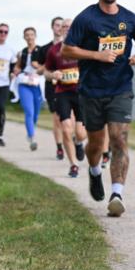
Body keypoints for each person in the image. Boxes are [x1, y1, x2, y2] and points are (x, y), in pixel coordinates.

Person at [62, 0, 135, 217]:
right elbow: (67, 50)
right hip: (91, 90)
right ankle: (94, 171)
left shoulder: (129, 18)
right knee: (96, 144)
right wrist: (96, 55)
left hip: (121, 88)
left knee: (119, 139)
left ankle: (117, 194)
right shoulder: (86, 18)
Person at [44, 17, 88, 178]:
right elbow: (46, 72)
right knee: (66, 128)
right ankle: (73, 165)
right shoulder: (54, 50)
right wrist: (52, 74)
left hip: (81, 92)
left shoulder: (83, 46)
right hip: (62, 92)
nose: (67, 29)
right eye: (64, 27)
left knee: (81, 133)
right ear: (61, 30)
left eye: (70, 26)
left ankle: (79, 142)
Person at [34, 17, 67, 160]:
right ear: (52, 27)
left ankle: (73, 141)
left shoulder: (71, 46)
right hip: (52, 87)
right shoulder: (45, 49)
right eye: (57, 25)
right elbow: (39, 71)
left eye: (62, 25)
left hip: (70, 86)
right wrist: (49, 68)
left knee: (71, 119)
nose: (59, 28)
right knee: (57, 119)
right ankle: (59, 148)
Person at [12, 27, 44, 151]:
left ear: (35, 36)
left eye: (31, 34)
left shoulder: (42, 50)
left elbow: (47, 66)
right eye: (27, 35)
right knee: (29, 111)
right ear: (24, 37)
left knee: (36, 113)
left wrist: (37, 66)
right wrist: (15, 71)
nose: (29, 37)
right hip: (24, 83)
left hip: (37, 83)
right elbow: (18, 66)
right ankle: (32, 137)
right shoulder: (22, 52)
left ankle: (31, 130)